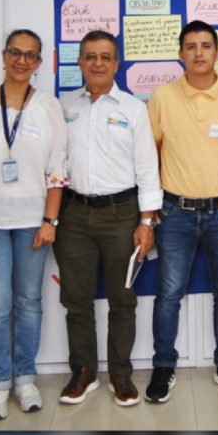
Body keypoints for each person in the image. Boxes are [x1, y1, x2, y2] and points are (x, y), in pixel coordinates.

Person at [146, 19, 218, 403]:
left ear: (217, 52)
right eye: (191, 46)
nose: (198, 53)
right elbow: (151, 156)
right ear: (180, 54)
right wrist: (150, 211)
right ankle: (163, 364)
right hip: (174, 213)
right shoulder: (161, 98)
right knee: (168, 293)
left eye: (206, 46)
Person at [53, 30, 161, 407]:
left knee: (122, 298)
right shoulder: (63, 107)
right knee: (76, 299)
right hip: (73, 214)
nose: (97, 63)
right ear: (80, 62)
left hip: (122, 214)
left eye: (105, 57)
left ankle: (120, 373)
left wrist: (147, 223)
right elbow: (54, 163)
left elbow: (147, 170)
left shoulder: (133, 109)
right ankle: (83, 371)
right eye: (90, 56)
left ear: (116, 64)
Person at [0, 30, 68, 419]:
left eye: (30, 55)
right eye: (15, 52)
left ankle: (25, 378)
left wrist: (50, 219)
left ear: (39, 63)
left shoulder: (48, 107)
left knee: (28, 302)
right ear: (3, 55)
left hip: (33, 220)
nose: (22, 61)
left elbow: (57, 169)